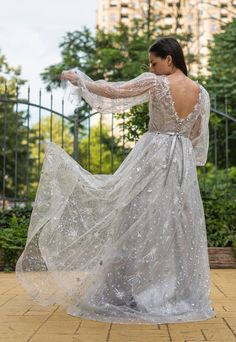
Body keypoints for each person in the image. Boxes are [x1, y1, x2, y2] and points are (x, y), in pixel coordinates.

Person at [15, 37, 216, 324]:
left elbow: (114, 91)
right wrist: (178, 145)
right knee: (172, 225)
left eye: (154, 62)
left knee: (134, 220)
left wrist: (80, 80)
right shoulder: (202, 92)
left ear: (169, 60)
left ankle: (133, 289)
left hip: (154, 156)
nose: (152, 67)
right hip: (181, 163)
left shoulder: (156, 83)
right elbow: (196, 135)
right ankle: (168, 291)